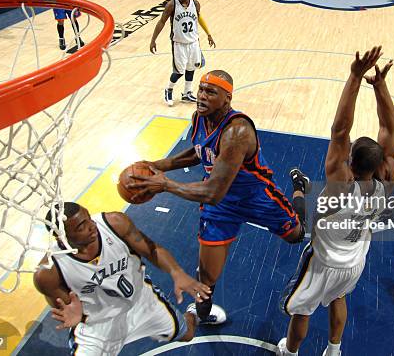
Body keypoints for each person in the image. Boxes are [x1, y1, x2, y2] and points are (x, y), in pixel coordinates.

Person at [128, 70, 306, 325]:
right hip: (222, 206)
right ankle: (203, 314)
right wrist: (159, 164)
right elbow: (200, 151)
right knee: (206, 276)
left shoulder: (237, 132)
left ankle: (299, 186)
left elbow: (212, 192)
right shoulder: (199, 118)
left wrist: (165, 184)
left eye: (210, 92)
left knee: (296, 236)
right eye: (200, 89)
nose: (201, 96)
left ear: (227, 99)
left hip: (255, 197)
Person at [276, 47, 394, 356]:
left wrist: (355, 76)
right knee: (338, 300)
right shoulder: (387, 183)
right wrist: (380, 87)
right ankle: (334, 350)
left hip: (324, 262)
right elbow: (389, 128)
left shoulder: (341, 186)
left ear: (351, 162)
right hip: (355, 261)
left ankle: (289, 352)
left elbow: (339, 130)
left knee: (302, 311)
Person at [33, 202, 223, 355]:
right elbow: (65, 308)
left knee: (187, 334)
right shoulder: (48, 273)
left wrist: (176, 272)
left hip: (142, 302)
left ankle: (194, 314)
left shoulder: (114, 224)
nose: (92, 226)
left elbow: (152, 249)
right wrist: (78, 317)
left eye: (89, 218)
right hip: (98, 325)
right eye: (82, 227)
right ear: (61, 238)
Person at [149, 0, 215, 107]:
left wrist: (209, 34)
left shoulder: (195, 4)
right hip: (179, 44)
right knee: (179, 71)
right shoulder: (172, 5)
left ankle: (186, 93)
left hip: (193, 42)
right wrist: (153, 40)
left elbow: (199, 18)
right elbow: (161, 22)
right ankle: (168, 89)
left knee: (192, 67)